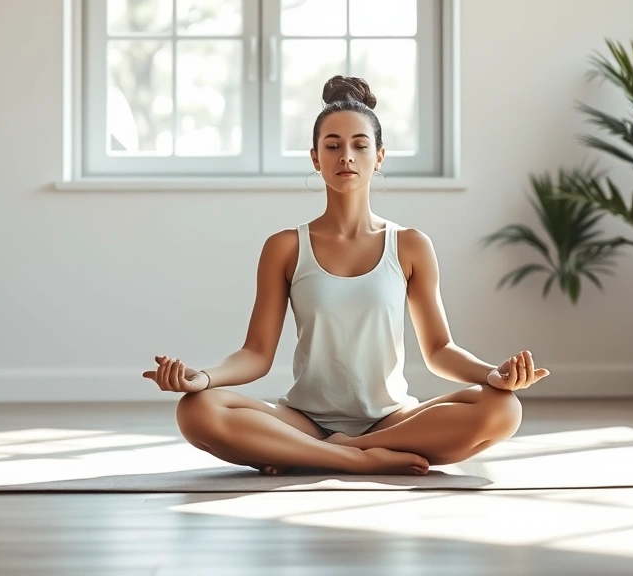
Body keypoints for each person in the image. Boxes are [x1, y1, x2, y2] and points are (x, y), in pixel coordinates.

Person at [143, 75, 550, 476]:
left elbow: (440, 350)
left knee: (502, 407)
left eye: (359, 145)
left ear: (380, 156)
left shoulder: (410, 245)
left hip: (391, 418)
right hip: (303, 419)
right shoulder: (284, 246)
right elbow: (256, 354)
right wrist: (203, 377)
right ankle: (356, 459)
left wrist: (493, 375)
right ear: (315, 158)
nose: (347, 157)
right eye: (333, 146)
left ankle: (327, 452)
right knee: (197, 410)